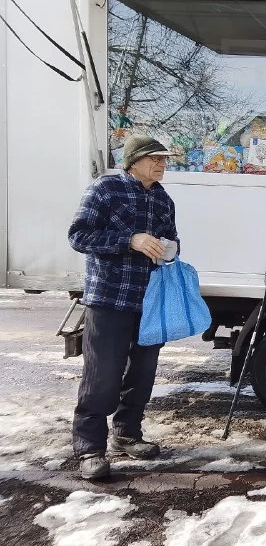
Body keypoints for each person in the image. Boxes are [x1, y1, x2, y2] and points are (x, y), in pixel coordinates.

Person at [68, 135, 179, 479]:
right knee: (102, 376)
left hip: (149, 301)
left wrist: (170, 249)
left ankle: (127, 434)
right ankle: (90, 449)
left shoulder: (163, 198)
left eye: (164, 159)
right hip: (109, 299)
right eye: (155, 158)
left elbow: (173, 237)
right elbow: (78, 236)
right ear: (134, 162)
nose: (162, 164)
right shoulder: (105, 189)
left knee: (142, 374)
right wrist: (129, 240)